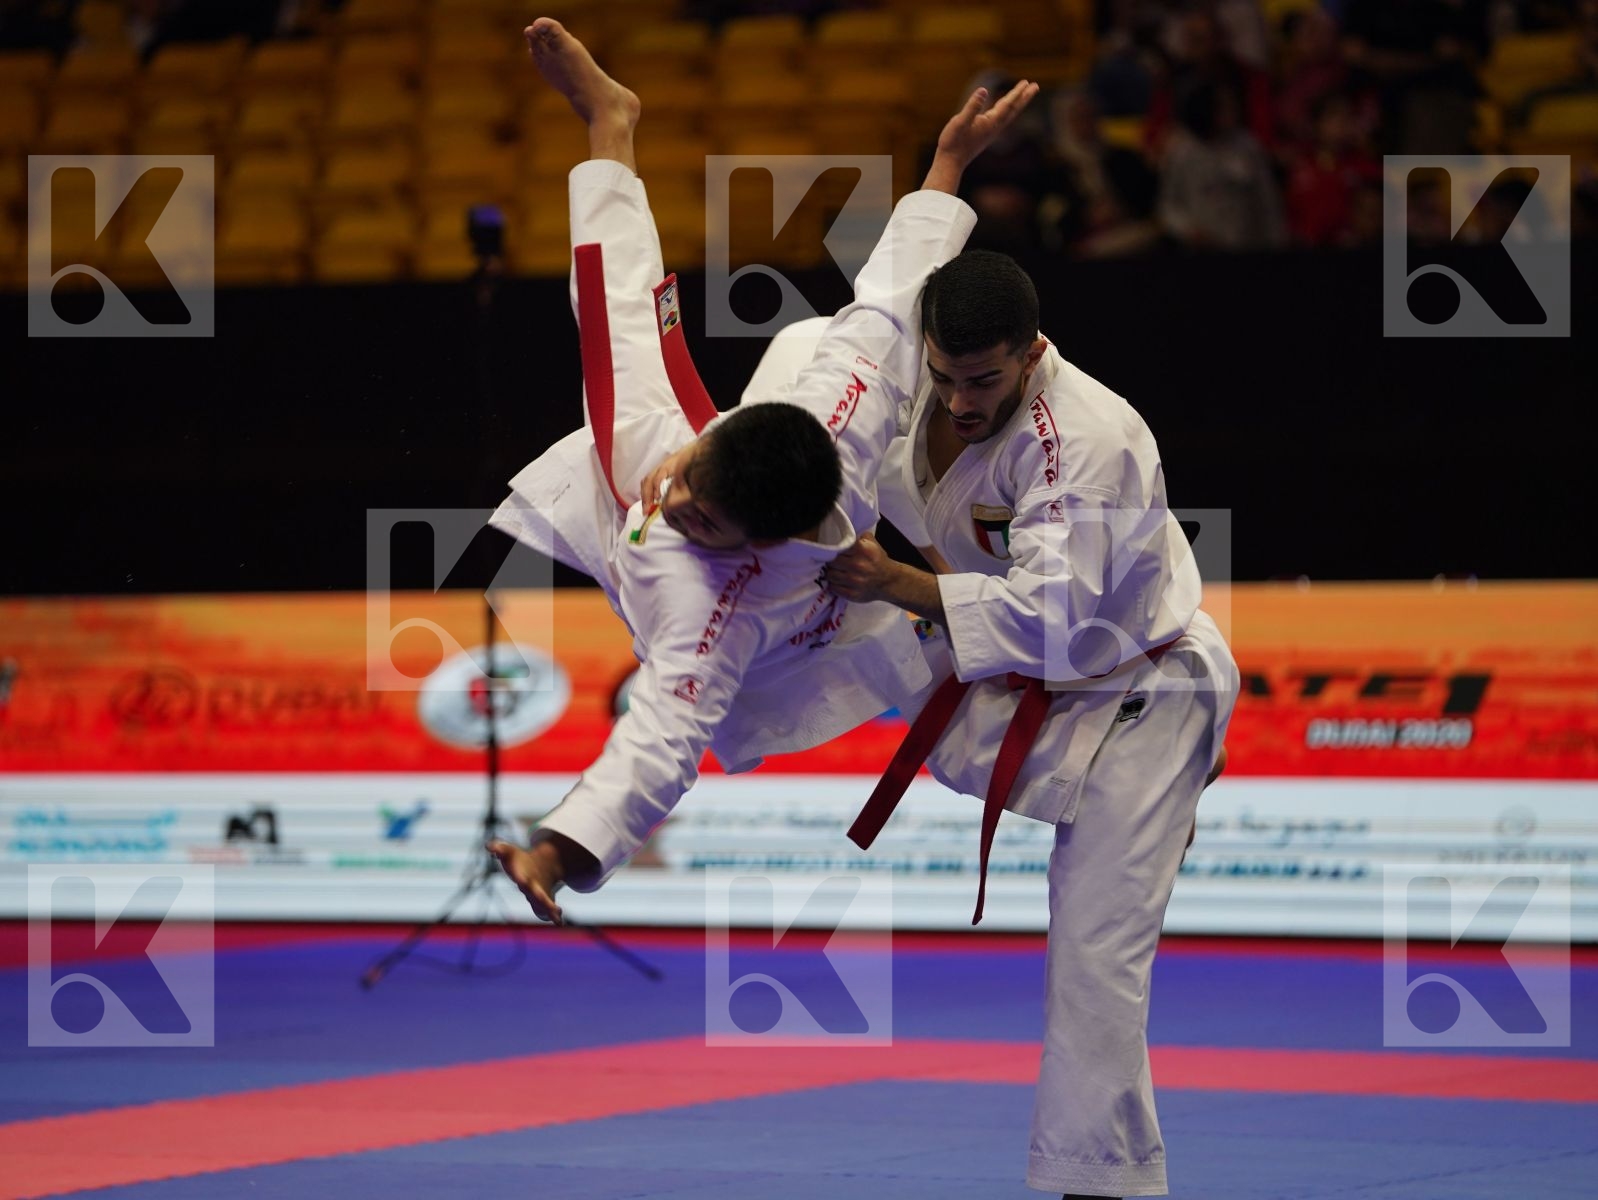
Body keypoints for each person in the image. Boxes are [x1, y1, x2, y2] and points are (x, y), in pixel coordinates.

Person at [485, 17, 1037, 920]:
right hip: (740, 487)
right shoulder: (805, 426)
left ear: (752, 538)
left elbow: (662, 740)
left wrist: (552, 853)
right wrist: (949, 163)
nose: (671, 500)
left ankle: (1087, 726)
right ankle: (613, 118)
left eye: (699, 514)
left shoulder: (712, 607)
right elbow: (888, 301)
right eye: (690, 480)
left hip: (792, 625)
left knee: (946, 703)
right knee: (648, 318)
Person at [812, 249, 1239, 1199]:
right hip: (1008, 673)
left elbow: (1056, 622)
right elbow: (829, 369)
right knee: (801, 612)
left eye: (984, 381)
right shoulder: (906, 381)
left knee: (1093, 957)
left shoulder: (1087, 441)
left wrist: (899, 581)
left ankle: (1101, 1187)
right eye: (945, 376)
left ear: (1032, 352)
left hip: (1139, 692)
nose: (960, 401)